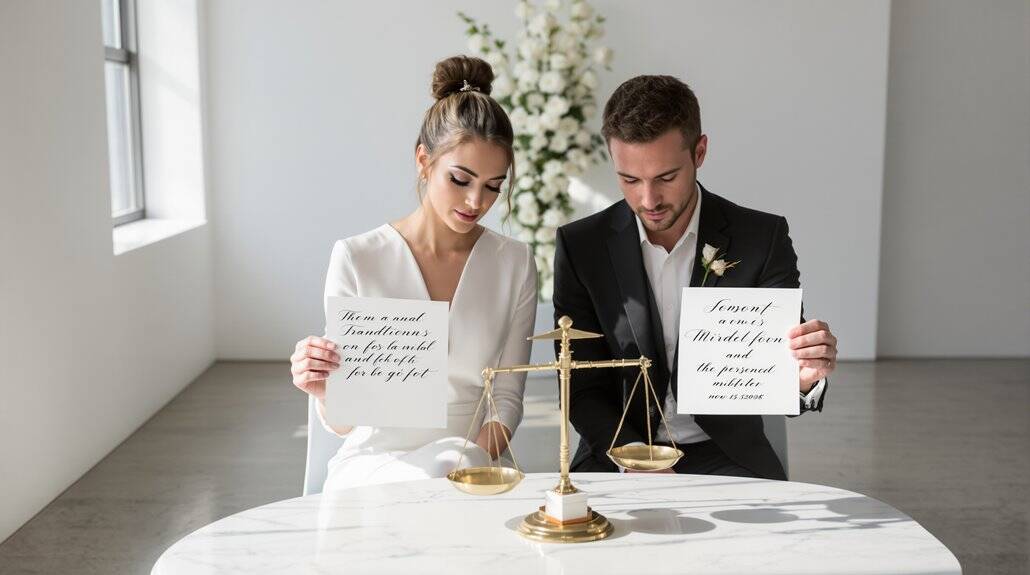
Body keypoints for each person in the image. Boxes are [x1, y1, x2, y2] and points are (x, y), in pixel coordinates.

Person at [553, 75, 839, 480]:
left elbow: (778, 371)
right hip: (617, 452)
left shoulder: (761, 238)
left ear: (699, 151)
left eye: (666, 177)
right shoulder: (580, 245)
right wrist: (636, 458)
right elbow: (582, 388)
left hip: (726, 453)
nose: (648, 200)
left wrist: (804, 378)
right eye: (630, 180)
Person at [289, 56, 537, 491]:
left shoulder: (513, 263)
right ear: (424, 161)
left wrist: (469, 464)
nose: (476, 201)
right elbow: (345, 424)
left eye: (494, 186)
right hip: (372, 469)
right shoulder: (357, 257)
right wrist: (323, 390)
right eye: (460, 179)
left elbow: (507, 401)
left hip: (467, 466)